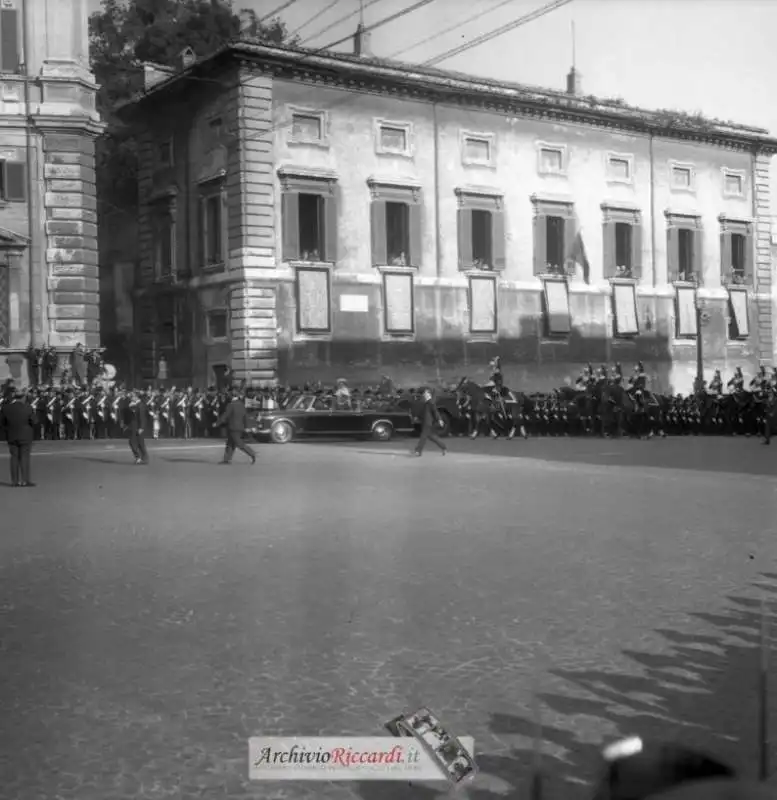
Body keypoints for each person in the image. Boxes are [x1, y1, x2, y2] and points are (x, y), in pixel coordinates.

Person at [0, 387, 36, 487]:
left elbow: (2, 423)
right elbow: (34, 421)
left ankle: (14, 481)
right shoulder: (28, 407)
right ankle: (25, 480)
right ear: (23, 397)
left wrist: (8, 430)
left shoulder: (6, 408)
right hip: (25, 436)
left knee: (14, 458)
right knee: (24, 457)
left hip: (12, 435)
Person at [214, 389, 256, 465]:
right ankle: (226, 459)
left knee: (239, 444)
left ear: (231, 396)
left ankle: (252, 453)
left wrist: (217, 423)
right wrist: (247, 426)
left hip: (233, 427)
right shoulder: (241, 404)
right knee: (230, 444)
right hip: (239, 427)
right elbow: (245, 416)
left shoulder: (231, 405)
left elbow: (225, 415)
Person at [412, 388, 447, 457]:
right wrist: (417, 417)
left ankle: (418, 451)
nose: (425, 395)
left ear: (429, 395)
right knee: (432, 437)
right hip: (424, 422)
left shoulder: (431, 402)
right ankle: (443, 447)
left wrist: (440, 420)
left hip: (427, 423)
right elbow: (422, 412)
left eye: (426, 394)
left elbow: (435, 411)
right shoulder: (425, 403)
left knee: (423, 436)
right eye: (424, 394)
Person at [124, 390, 149, 465]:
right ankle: (139, 457)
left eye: (132, 396)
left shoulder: (140, 405)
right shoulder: (132, 404)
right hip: (132, 426)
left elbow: (142, 417)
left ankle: (143, 458)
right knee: (132, 442)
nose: (131, 397)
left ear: (136, 397)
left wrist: (142, 427)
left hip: (138, 426)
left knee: (140, 443)